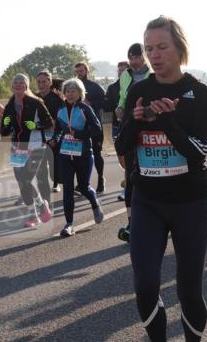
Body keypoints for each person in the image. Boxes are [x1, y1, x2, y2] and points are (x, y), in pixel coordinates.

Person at [119, 16, 207, 342]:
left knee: (189, 289)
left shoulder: (199, 93)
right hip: (148, 201)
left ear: (180, 49)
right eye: (149, 49)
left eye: (162, 47)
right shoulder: (139, 90)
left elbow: (198, 154)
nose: (155, 55)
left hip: (190, 202)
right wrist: (138, 124)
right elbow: (123, 147)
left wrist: (170, 121)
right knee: (144, 284)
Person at [0, 74, 55, 228]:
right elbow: (4, 132)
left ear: (26, 85)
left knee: (26, 179)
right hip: (18, 147)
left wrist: (36, 126)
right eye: (15, 83)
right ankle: (37, 210)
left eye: (21, 83)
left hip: (36, 146)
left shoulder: (35, 102)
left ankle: (37, 209)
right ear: (12, 86)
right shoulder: (10, 104)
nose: (18, 85)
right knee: (21, 182)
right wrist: (5, 124)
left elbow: (49, 122)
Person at [54, 78, 104, 238]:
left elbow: (97, 129)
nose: (69, 94)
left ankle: (95, 203)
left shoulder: (85, 109)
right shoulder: (60, 109)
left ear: (79, 93)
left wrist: (80, 134)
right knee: (67, 189)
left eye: (73, 91)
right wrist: (54, 138)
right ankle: (69, 224)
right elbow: (57, 129)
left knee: (83, 187)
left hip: (83, 154)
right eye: (67, 91)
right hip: (65, 155)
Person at [114, 44, 151, 241]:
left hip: (148, 129)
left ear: (144, 57)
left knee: (147, 176)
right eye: (131, 57)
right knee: (130, 178)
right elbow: (122, 97)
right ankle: (131, 222)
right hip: (128, 127)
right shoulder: (125, 75)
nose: (134, 61)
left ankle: (154, 220)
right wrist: (120, 108)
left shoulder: (153, 75)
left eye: (137, 57)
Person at [74, 61, 107, 193]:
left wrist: (91, 103)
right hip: (79, 126)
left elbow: (105, 103)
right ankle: (82, 183)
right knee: (78, 155)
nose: (79, 74)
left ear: (86, 71)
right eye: (77, 72)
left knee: (97, 153)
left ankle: (100, 179)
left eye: (81, 71)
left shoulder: (95, 86)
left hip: (94, 126)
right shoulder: (73, 87)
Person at [36, 71, 63, 194]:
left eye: (44, 81)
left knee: (53, 166)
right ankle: (42, 191)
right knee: (40, 166)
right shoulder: (34, 98)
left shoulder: (57, 99)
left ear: (50, 82)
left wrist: (55, 136)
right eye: (39, 82)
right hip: (38, 136)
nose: (41, 84)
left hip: (53, 136)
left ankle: (56, 183)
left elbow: (60, 119)